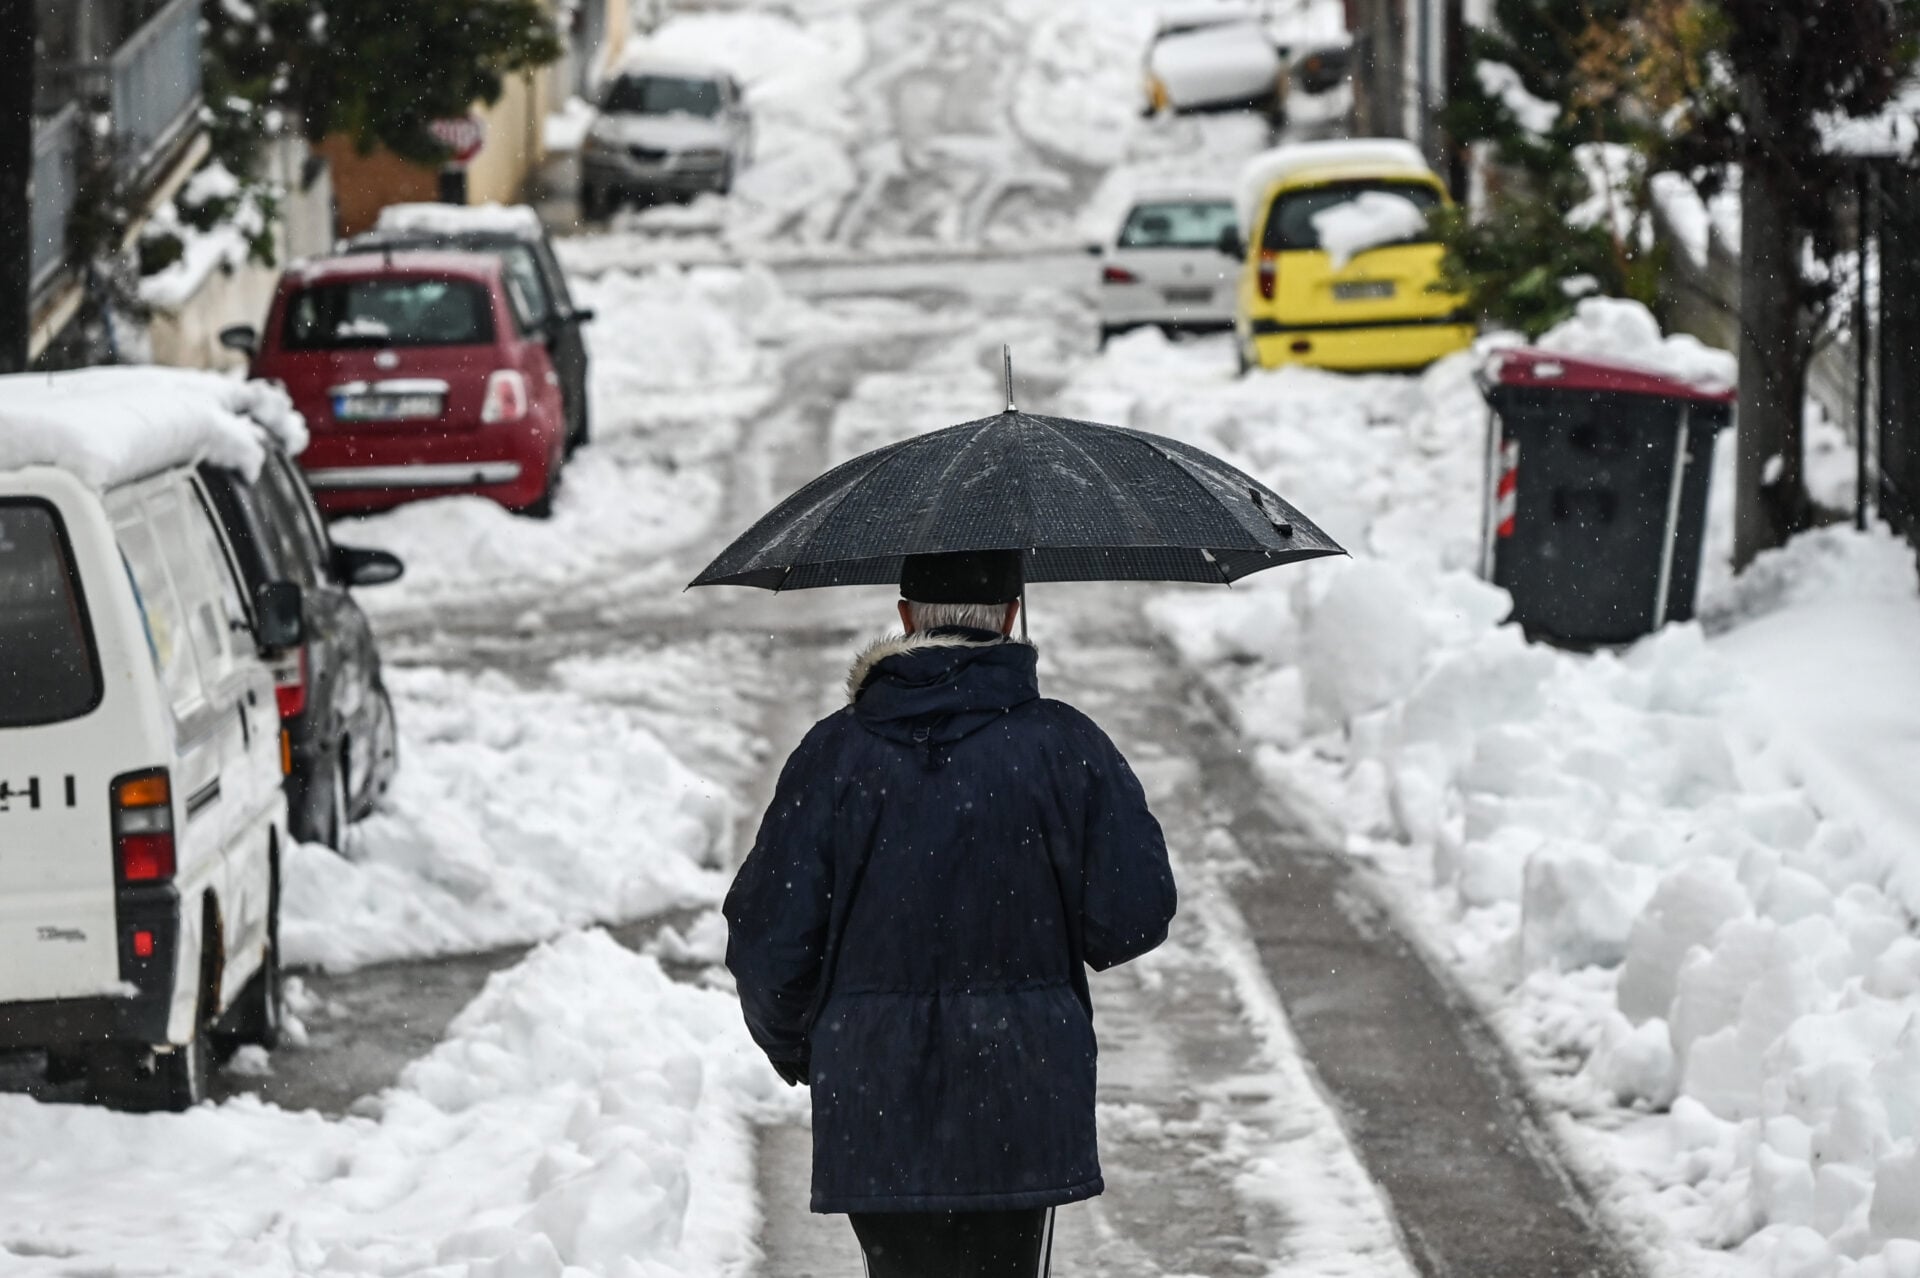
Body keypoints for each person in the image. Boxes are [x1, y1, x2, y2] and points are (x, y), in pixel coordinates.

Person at [724, 548, 1178, 1278]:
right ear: (1008, 617)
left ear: (905, 620)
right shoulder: (1065, 746)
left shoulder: (832, 756)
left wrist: (808, 1048)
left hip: (875, 1091)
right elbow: (1133, 915)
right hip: (1022, 1091)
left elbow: (769, 941)